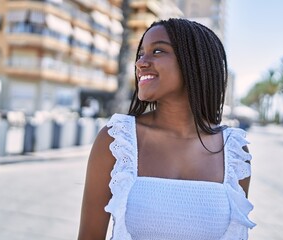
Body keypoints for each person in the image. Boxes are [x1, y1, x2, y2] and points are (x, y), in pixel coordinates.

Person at [78, 18, 255, 240]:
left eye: (158, 51)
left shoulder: (234, 153)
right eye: (141, 54)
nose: (141, 63)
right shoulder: (117, 141)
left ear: (195, 62)